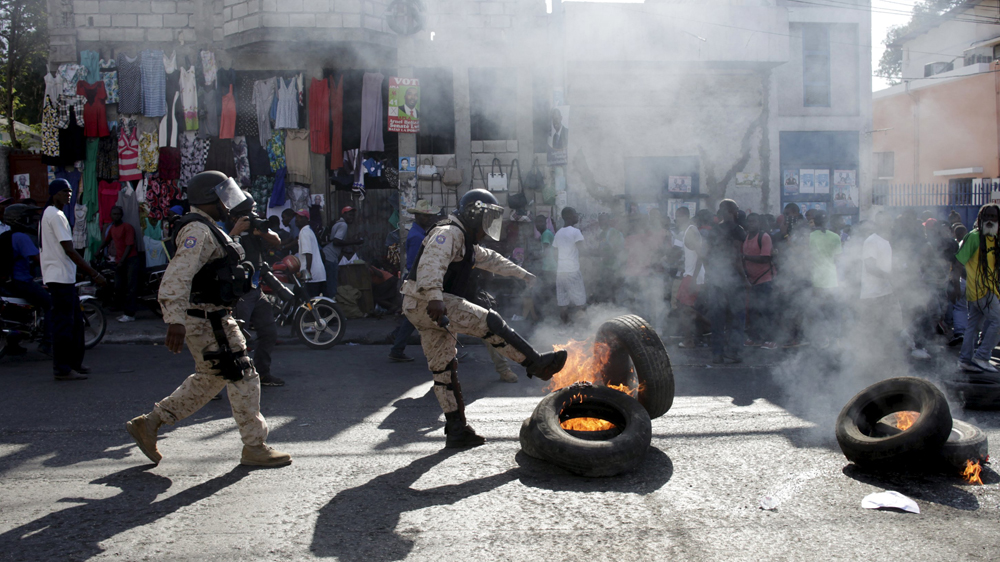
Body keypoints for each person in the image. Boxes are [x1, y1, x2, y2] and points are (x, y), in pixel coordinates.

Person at [125, 171, 290, 468]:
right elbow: (178, 275)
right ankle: (254, 446)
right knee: (242, 374)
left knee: (211, 378)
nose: (227, 204)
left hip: (213, 316)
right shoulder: (198, 231)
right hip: (207, 319)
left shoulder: (209, 227)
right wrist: (174, 320)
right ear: (209, 198)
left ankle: (150, 423)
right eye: (222, 198)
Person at [401, 189, 567, 448]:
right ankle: (536, 364)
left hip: (421, 306)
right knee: (489, 322)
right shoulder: (449, 233)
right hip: (429, 302)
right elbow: (431, 263)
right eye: (487, 220)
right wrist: (434, 296)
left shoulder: (464, 240)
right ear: (474, 215)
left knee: (444, 370)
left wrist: (523, 274)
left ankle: (457, 430)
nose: (488, 227)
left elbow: (492, 260)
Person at [40, 179, 107, 381]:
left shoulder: (53, 214)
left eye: (70, 191)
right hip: (59, 278)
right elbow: (69, 250)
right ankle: (62, 369)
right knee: (64, 326)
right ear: (54, 194)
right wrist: (93, 273)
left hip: (64, 276)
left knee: (76, 323)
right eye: (64, 191)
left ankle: (74, 363)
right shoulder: (55, 215)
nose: (68, 195)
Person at [229, 193, 285, 387]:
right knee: (235, 337)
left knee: (269, 332)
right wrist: (235, 232)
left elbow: (277, 240)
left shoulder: (255, 226)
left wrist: (260, 232)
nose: (250, 216)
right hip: (237, 291)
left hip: (255, 288)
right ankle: (219, 381)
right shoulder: (223, 227)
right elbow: (219, 251)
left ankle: (262, 373)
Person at [389, 200, 440, 362]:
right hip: (419, 281)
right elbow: (414, 264)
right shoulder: (418, 237)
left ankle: (397, 346)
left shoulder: (420, 233)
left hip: (418, 280)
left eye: (429, 216)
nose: (429, 218)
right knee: (422, 316)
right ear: (417, 216)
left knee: (414, 317)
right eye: (425, 216)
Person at [0, 203, 53, 355]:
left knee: (16, 312)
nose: (33, 222)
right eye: (29, 218)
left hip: (8, 282)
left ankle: (13, 344)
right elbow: (38, 259)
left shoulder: (5, 236)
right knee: (50, 304)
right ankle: (47, 342)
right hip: (21, 281)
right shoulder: (21, 237)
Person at [955, 203, 1000, 373]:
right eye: (986, 216)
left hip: (989, 289)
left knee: (973, 326)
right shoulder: (973, 237)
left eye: (993, 216)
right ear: (980, 218)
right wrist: (955, 285)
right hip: (980, 290)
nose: (989, 220)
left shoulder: (995, 237)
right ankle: (982, 356)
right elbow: (958, 262)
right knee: (998, 321)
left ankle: (965, 360)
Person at [703, 199, 747, 363]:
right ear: (731, 211)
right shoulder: (737, 230)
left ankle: (717, 353)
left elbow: (706, 255)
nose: (737, 212)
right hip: (732, 279)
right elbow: (736, 257)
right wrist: (745, 279)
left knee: (717, 317)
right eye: (736, 209)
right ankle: (733, 352)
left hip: (715, 278)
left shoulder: (714, 230)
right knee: (737, 317)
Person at [98, 206, 142, 323]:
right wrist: (99, 250)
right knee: (118, 286)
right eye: (114, 214)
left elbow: (129, 245)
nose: (116, 216)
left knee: (130, 287)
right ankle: (122, 309)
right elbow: (107, 240)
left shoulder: (127, 227)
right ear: (111, 216)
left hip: (130, 260)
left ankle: (130, 314)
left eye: (118, 214)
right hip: (120, 261)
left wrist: (122, 261)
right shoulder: (112, 228)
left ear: (121, 215)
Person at [808, 211, 842, 347]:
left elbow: (805, 257)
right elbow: (838, 260)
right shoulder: (835, 237)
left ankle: (822, 339)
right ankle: (834, 339)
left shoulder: (810, 237)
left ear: (814, 222)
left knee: (818, 311)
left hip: (816, 279)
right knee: (832, 311)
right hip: (832, 278)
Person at [743, 213, 777, 349]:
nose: (751, 224)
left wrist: (744, 257)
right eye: (749, 221)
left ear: (759, 223)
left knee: (766, 310)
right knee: (753, 310)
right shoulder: (746, 237)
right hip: (752, 281)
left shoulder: (764, 237)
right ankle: (755, 338)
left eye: (754, 221)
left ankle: (770, 340)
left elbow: (765, 258)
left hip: (765, 279)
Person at [675, 206, 705, 348]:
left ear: (687, 216)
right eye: (676, 216)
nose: (677, 219)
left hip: (693, 276)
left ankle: (690, 339)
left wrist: (693, 278)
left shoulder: (690, 231)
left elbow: (701, 255)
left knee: (684, 308)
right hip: (690, 274)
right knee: (683, 307)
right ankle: (696, 335)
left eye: (679, 216)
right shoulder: (689, 231)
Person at [552, 206, 586, 324]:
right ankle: (583, 327)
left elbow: (554, 254)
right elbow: (583, 250)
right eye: (575, 214)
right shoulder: (576, 232)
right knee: (580, 302)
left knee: (563, 303)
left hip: (560, 272)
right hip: (572, 271)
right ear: (569, 216)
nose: (577, 216)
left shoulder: (558, 233)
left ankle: (564, 327)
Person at [321, 206, 363, 299]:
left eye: (353, 215)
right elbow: (336, 241)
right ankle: (332, 305)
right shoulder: (343, 225)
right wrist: (355, 242)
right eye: (350, 215)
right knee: (331, 286)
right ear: (344, 214)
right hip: (330, 257)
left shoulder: (338, 223)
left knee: (327, 285)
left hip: (327, 255)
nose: (352, 217)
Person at [593, 213, 625, 304]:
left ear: (608, 221)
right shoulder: (601, 234)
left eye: (603, 219)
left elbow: (618, 249)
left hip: (614, 267)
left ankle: (616, 308)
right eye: (599, 220)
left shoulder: (614, 233)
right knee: (606, 292)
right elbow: (600, 249)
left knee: (614, 291)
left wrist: (605, 254)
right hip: (604, 267)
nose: (601, 222)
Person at [295, 209, 326, 297]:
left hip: (311, 276)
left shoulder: (304, 232)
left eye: (300, 217)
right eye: (296, 217)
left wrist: (307, 271)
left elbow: (308, 253)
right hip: (318, 274)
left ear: (306, 219)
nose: (297, 219)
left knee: (309, 301)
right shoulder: (309, 231)